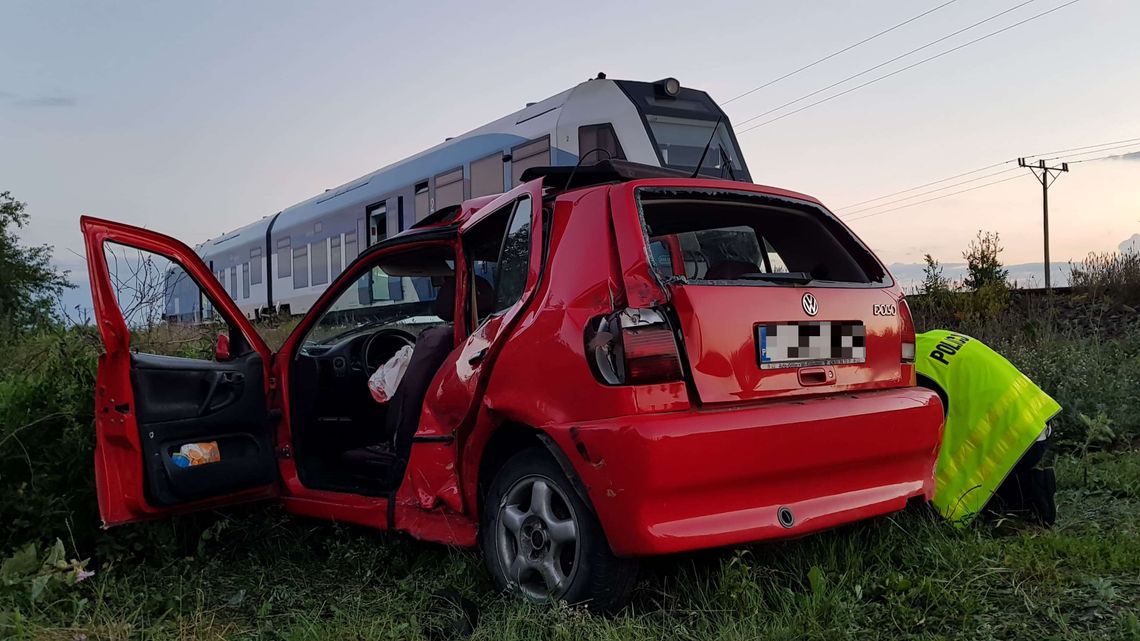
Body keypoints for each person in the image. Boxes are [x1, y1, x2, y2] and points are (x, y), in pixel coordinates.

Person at [916, 330, 1061, 526]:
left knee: (945, 503)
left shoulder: (912, 374)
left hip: (1017, 442)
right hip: (1038, 422)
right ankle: (1020, 484)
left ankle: (1031, 492)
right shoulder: (931, 338)